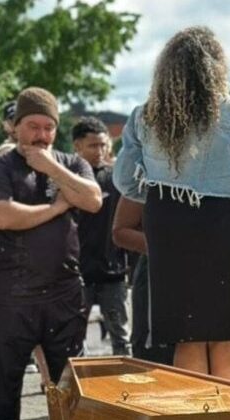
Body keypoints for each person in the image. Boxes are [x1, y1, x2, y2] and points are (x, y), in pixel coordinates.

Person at [113, 26, 230, 381]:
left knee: (185, 336)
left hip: (167, 223)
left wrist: (160, 194)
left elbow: (124, 180)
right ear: (215, 67)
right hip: (220, 224)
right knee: (224, 336)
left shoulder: (144, 116)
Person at [0, 87, 101, 420]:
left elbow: (92, 200)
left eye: (49, 127)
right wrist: (57, 208)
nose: (42, 135)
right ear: (16, 127)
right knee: (3, 392)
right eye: (33, 125)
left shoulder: (70, 163)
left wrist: (51, 168)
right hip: (12, 296)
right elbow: (2, 216)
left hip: (63, 294)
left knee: (69, 390)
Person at [73, 116, 131, 356]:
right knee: (75, 336)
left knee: (121, 335)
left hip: (113, 271)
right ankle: (81, 388)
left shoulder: (117, 177)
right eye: (93, 145)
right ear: (77, 146)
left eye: (103, 145)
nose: (100, 151)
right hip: (78, 271)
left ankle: (125, 385)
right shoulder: (68, 178)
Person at [112, 196, 175, 365]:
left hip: (208, 276)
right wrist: (172, 249)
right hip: (157, 279)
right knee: (155, 361)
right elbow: (121, 231)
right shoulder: (147, 174)